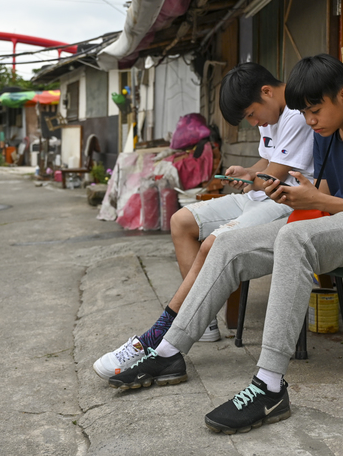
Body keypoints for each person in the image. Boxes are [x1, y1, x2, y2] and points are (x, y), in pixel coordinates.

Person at [107, 53, 343, 435]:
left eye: (314, 110)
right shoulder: (327, 131)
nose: (310, 121)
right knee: (227, 244)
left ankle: (269, 386)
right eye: (304, 113)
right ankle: (169, 353)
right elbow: (322, 191)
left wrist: (320, 202)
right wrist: (298, 196)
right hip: (338, 222)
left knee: (293, 237)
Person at [92, 62, 315, 379]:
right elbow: (268, 162)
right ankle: (204, 320)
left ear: (267, 92)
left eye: (252, 114)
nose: (253, 122)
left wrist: (253, 177)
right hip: (259, 197)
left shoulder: (295, 115)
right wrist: (247, 173)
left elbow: (276, 176)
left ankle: (160, 335)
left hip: (285, 203)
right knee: (182, 220)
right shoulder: (272, 114)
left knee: (216, 243)